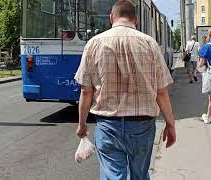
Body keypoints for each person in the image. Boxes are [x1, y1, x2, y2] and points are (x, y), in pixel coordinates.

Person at [74, 1, 176, 179]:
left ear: (111, 18)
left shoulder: (93, 44)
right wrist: (170, 124)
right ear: (135, 20)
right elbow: (161, 92)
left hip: (107, 126)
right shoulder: (150, 44)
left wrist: (82, 125)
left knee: (113, 176)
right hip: (142, 126)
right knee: (140, 175)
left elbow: (85, 91)